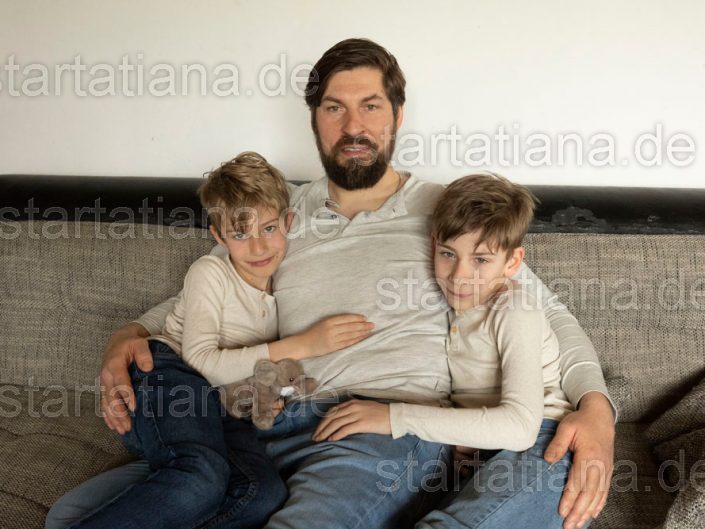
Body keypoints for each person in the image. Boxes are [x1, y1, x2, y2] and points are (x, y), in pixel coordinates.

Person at [48, 39, 615, 529]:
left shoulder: (448, 214)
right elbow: (210, 289)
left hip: (376, 432)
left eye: (371, 106)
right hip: (260, 419)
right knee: (70, 516)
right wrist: (130, 332)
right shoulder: (279, 213)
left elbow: (546, 313)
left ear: (397, 114)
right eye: (334, 108)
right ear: (314, 119)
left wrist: (597, 409)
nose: (353, 127)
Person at [50, 152, 374, 529]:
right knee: (200, 478)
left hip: (219, 406)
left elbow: (248, 368)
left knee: (262, 494)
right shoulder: (209, 272)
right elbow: (202, 361)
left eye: (269, 228)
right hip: (169, 376)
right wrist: (306, 344)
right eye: (240, 234)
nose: (258, 247)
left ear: (288, 222)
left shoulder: (282, 288)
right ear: (219, 237)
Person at [313, 173, 578, 528]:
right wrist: (464, 436)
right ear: (434, 244)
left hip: (544, 446)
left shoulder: (514, 309)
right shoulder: (454, 309)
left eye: (481, 260)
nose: (458, 276)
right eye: (448, 254)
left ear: (513, 262)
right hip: (487, 452)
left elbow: (520, 427)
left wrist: (393, 417)